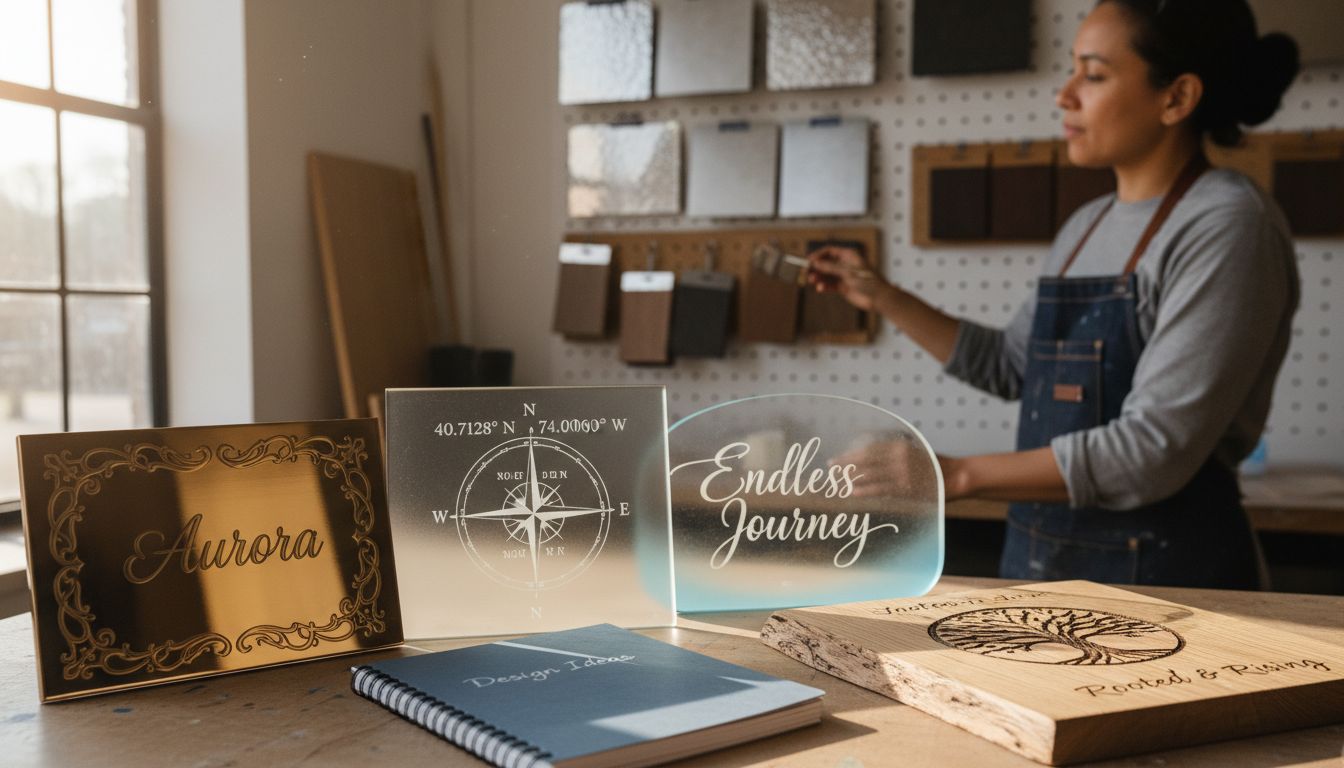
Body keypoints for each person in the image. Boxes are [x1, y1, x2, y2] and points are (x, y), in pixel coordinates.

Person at [809, 0, 1301, 589]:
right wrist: (881, 295)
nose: (1064, 95)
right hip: (1046, 570)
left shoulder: (1226, 222)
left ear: (1176, 98)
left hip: (1170, 583)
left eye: (1092, 75)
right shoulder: (1087, 225)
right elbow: (1011, 367)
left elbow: (1153, 450)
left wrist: (953, 475)